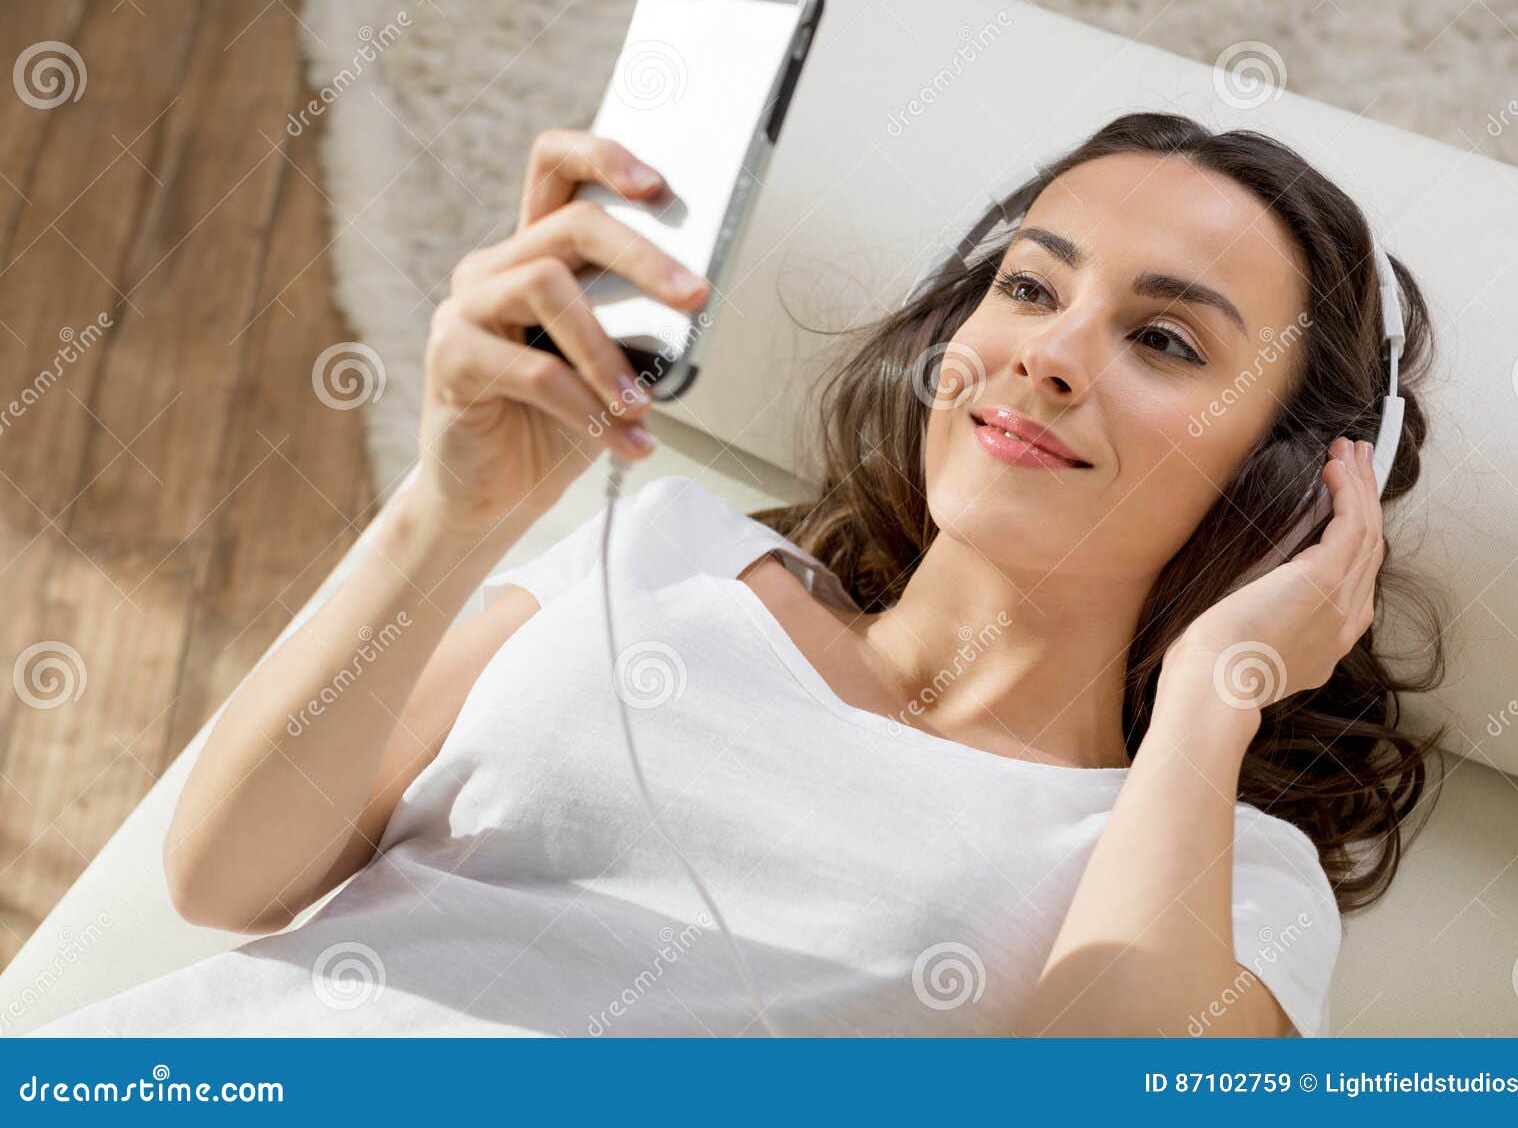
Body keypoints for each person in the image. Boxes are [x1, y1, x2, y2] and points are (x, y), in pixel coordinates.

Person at [33, 112, 1446, 1039]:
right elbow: (225, 873)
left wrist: (1215, 693)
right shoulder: (668, 549)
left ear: (1294, 483)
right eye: (1029, 285)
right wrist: (446, 511)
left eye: (1167, 342)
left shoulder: (1214, 867)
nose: (1050, 352)